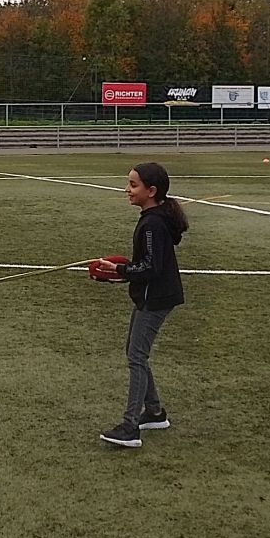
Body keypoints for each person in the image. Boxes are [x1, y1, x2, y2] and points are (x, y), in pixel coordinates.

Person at [93, 161, 188, 449]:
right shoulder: (152, 219)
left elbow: (150, 267)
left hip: (156, 298)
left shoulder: (153, 224)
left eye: (133, 185)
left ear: (152, 191)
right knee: (135, 353)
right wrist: (121, 276)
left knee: (136, 357)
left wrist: (119, 270)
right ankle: (155, 413)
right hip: (153, 294)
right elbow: (148, 266)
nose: (127, 189)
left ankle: (130, 427)